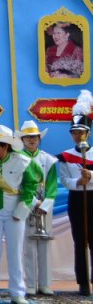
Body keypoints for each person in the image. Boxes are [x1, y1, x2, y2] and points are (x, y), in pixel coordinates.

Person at [0, 124, 38, 304]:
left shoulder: (23, 161)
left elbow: (30, 186)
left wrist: (21, 211)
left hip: (15, 213)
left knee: (15, 252)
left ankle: (18, 292)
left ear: (5, 146)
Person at [57, 90, 93, 296]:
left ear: (88, 133)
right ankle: (82, 282)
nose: (78, 135)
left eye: (81, 132)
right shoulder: (65, 156)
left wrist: (91, 177)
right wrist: (78, 181)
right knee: (80, 240)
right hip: (77, 198)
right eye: (74, 132)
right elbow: (63, 179)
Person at [15, 120, 58, 296]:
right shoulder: (17, 158)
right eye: (28, 137)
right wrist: (33, 202)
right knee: (28, 245)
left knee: (44, 245)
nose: (31, 140)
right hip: (26, 203)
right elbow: (17, 183)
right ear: (22, 139)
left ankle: (45, 283)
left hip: (44, 207)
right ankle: (30, 283)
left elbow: (53, 185)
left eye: (34, 137)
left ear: (39, 139)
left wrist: (45, 204)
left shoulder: (49, 159)